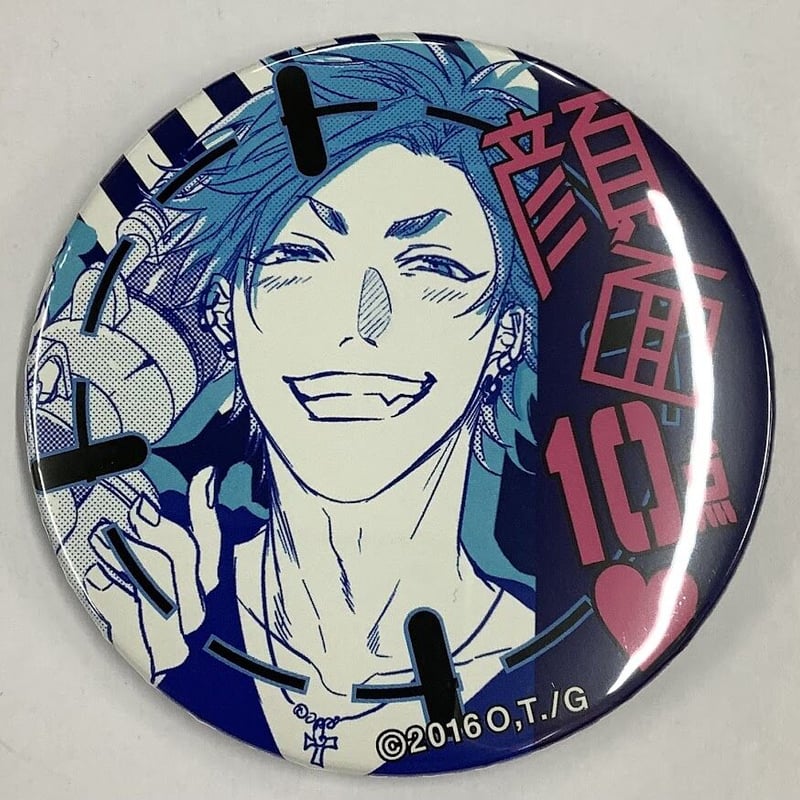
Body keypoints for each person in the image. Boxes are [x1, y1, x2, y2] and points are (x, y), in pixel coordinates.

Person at [48, 41, 542, 773]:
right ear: (224, 311)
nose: (361, 322)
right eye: (299, 257)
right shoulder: (152, 598)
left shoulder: (548, 663)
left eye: (431, 266)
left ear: (505, 335)